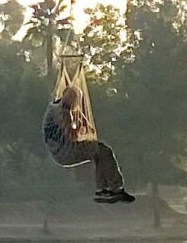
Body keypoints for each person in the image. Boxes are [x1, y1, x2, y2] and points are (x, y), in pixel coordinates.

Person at [41, 70, 134, 203]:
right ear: (71, 100)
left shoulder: (56, 107)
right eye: (76, 101)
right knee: (105, 150)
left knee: (99, 154)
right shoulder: (64, 113)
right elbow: (72, 136)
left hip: (58, 153)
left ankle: (102, 190)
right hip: (66, 152)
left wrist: (79, 119)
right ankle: (116, 188)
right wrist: (79, 126)